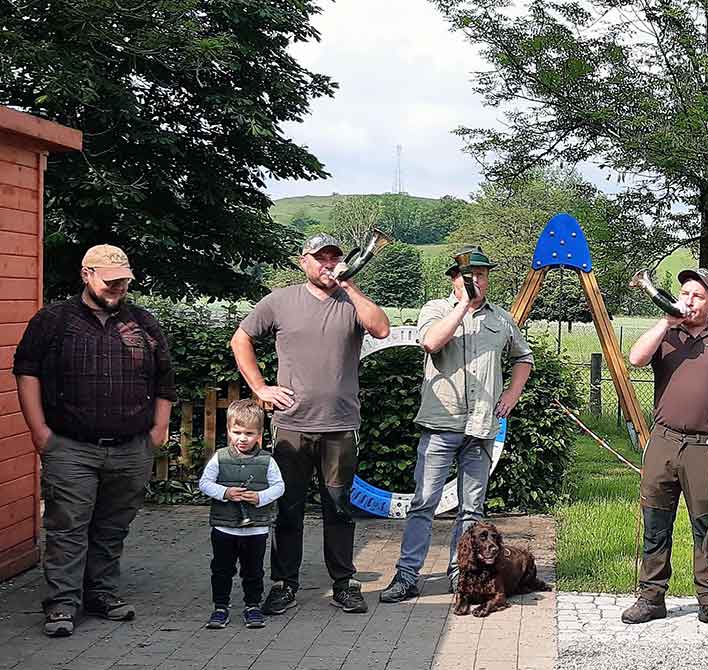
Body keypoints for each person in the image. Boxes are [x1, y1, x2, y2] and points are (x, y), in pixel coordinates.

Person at [13, 244, 175, 637]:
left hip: (131, 446)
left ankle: (101, 593)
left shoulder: (144, 323)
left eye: (124, 280)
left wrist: (158, 430)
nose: (118, 287)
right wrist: (39, 430)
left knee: (112, 526)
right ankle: (62, 604)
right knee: (67, 525)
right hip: (70, 445)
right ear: (87, 274)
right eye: (110, 280)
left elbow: (164, 380)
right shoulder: (52, 320)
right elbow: (26, 372)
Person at [231, 233, 390, 615]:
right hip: (291, 426)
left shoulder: (350, 300)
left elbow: (382, 329)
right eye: (321, 258)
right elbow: (241, 339)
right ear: (304, 261)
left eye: (334, 258)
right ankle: (285, 584)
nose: (328, 264)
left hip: (340, 425)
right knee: (288, 508)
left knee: (339, 507)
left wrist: (349, 285)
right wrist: (260, 388)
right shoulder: (280, 301)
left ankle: (343, 584)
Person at [379, 246, 533, 603]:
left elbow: (523, 358)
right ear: (454, 280)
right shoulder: (435, 310)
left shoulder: (501, 319)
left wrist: (512, 394)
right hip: (440, 424)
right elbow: (431, 342)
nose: (477, 280)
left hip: (481, 428)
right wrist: (463, 305)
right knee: (424, 503)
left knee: (472, 509)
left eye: (482, 275)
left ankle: (459, 574)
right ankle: (406, 576)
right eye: (469, 276)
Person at [620, 268, 708, 628]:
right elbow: (635, 358)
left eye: (698, 296)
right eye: (685, 293)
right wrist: (665, 323)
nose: (689, 300)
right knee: (655, 523)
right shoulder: (667, 335)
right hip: (663, 441)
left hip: (705, 447)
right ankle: (651, 597)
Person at [199, 399, 285, 629]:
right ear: (228, 431)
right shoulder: (220, 457)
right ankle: (220, 607)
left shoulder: (267, 460)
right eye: (236, 432)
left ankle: (253, 606)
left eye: (249, 433)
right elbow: (205, 483)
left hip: (256, 528)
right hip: (224, 526)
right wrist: (225, 492)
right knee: (221, 569)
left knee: (253, 570)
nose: (242, 438)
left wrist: (260, 497)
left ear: (259, 434)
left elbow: (279, 487)